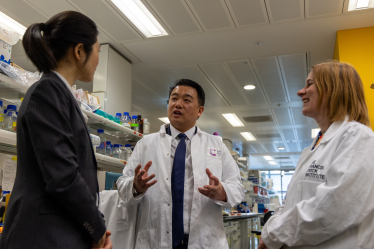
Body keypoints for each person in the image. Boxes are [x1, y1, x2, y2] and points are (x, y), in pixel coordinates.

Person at [0, 11, 112, 249]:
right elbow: (65, 177)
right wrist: (98, 231)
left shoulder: (60, 94)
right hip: (43, 236)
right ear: (79, 51)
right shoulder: (48, 91)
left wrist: (94, 226)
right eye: (98, 52)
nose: (97, 60)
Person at [258, 62, 374, 249]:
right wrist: (272, 228)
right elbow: (290, 203)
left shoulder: (358, 137)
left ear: (333, 89)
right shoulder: (312, 149)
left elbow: (335, 207)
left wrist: (274, 233)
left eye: (309, 84)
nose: (300, 92)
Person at [117, 79, 244, 249]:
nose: (177, 104)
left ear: (200, 111)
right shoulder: (146, 144)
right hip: (157, 240)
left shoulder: (216, 145)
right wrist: (135, 186)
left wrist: (222, 192)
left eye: (186, 100)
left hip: (203, 241)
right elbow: (122, 184)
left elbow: (237, 188)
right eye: (174, 98)